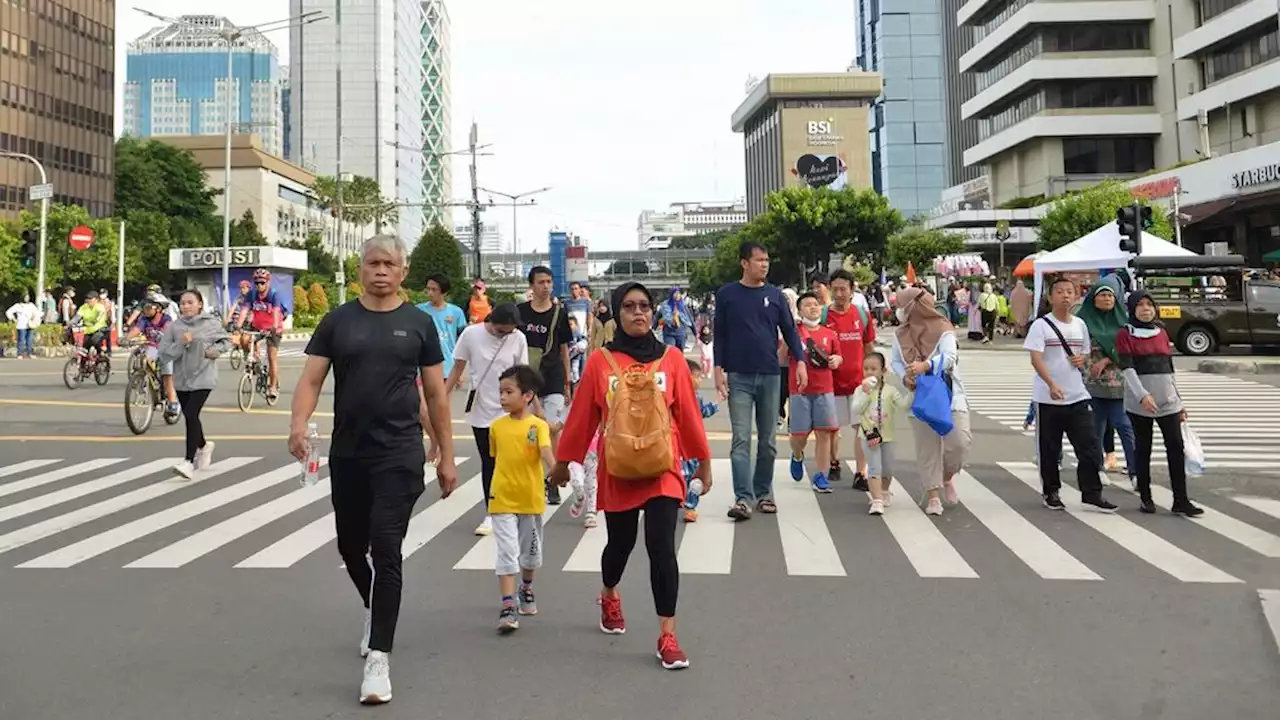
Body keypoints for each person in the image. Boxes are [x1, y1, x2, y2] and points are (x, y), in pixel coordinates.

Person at [288, 234, 458, 706]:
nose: (381, 270)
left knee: (387, 549)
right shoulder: (338, 322)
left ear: (403, 272)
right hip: (349, 454)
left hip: (400, 454)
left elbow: (437, 395)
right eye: (372, 263)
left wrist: (445, 453)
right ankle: (374, 607)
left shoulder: (419, 324)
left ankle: (379, 656)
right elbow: (312, 379)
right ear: (361, 269)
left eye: (390, 263)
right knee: (350, 545)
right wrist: (298, 424)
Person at [550, 281, 711, 670]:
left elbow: (687, 413)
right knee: (619, 547)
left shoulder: (672, 359)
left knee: (661, 546)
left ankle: (667, 635)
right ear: (616, 314)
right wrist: (561, 462)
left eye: (644, 306)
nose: (638, 312)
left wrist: (703, 461)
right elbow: (583, 417)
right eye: (629, 306)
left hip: (663, 467)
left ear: (653, 312)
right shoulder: (601, 362)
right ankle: (609, 592)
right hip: (619, 467)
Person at [714, 242, 805, 520]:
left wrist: (800, 361)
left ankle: (764, 492)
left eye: (767, 260)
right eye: (759, 260)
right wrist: (718, 368)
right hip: (738, 375)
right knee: (741, 439)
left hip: (770, 374)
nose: (764, 264)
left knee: (767, 440)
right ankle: (743, 498)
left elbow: (789, 330)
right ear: (744, 263)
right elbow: (720, 334)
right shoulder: (727, 294)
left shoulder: (775, 295)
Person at [1024, 277, 1116, 513]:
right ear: (1051, 297)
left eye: (1070, 291)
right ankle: (1051, 492)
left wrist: (1082, 360)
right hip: (1048, 398)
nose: (1065, 295)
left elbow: (1084, 354)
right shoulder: (1041, 325)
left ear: (1076, 296)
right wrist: (1051, 384)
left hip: (1078, 395)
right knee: (1050, 449)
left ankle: (1092, 493)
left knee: (1090, 446)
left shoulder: (1080, 325)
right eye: (1060, 292)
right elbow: (1035, 358)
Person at [444, 302, 529, 536]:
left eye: (510, 330)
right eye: (502, 330)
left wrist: (530, 407)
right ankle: (492, 512)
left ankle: (515, 509)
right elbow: (457, 367)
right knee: (489, 462)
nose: (506, 335)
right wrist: (442, 397)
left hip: (509, 410)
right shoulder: (472, 334)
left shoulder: (518, 338)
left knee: (511, 461)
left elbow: (523, 374)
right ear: (490, 322)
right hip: (481, 409)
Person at [1116, 291, 1204, 517]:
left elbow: (1169, 370)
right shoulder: (1125, 333)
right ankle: (1146, 498)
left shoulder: (1162, 332)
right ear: (1132, 309)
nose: (1146, 309)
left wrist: (1179, 401)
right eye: (1140, 305)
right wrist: (1142, 396)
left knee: (1176, 448)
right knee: (1143, 449)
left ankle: (1181, 500)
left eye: (1149, 305)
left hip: (1168, 401)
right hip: (1140, 404)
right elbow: (1127, 369)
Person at [487, 365, 558, 633]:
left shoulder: (538, 426)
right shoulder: (496, 427)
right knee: (506, 552)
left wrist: (557, 472)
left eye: (509, 392)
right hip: (502, 497)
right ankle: (508, 607)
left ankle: (526, 589)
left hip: (530, 498)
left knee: (530, 555)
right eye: (501, 392)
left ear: (528, 396)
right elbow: (497, 458)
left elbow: (546, 453)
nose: (503, 397)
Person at [890, 287, 972, 516]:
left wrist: (926, 365)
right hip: (919, 397)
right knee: (927, 448)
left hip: (948, 394)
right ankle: (933, 495)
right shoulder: (900, 334)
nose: (899, 312)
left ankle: (947, 477)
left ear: (914, 307)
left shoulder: (944, 329)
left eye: (902, 306)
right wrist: (905, 376)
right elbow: (895, 361)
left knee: (960, 444)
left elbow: (950, 357)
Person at [1075, 275, 1138, 490]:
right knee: (1096, 429)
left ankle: (1135, 472)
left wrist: (1107, 359)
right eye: (1102, 295)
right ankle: (1098, 469)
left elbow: (1129, 350)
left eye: (1110, 295)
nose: (1107, 299)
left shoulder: (1123, 322)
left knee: (1124, 426)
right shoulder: (1082, 321)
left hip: (1119, 384)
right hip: (1091, 383)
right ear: (1093, 298)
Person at [158, 290, 229, 478]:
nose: (186, 306)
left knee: (190, 413)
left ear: (200, 304)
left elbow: (226, 342)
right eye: (182, 303)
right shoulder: (174, 327)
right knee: (191, 417)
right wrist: (180, 343)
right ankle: (204, 446)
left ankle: (188, 461)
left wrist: (214, 351)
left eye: (190, 302)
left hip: (204, 376)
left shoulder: (210, 324)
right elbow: (164, 355)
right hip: (182, 379)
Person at [518, 266, 573, 504]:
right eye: (541, 282)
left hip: (553, 377)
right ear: (532, 285)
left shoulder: (559, 313)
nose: (546, 286)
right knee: (528, 430)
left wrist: (568, 381)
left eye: (549, 281)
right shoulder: (520, 312)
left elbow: (564, 349)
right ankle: (531, 477)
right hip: (526, 379)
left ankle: (553, 479)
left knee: (551, 429)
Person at [786, 292, 843, 493]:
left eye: (816, 304)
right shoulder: (793, 332)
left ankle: (821, 475)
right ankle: (797, 454)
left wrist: (837, 360)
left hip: (824, 389)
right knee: (799, 435)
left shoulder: (830, 334)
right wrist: (788, 334)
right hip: (799, 389)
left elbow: (838, 356)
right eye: (808, 305)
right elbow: (781, 358)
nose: (813, 307)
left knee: (824, 433)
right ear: (800, 310)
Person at [824, 269, 876, 488]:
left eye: (843, 289)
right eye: (834, 289)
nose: (838, 294)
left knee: (861, 429)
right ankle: (834, 462)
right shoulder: (824, 316)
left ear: (852, 290)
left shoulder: (862, 315)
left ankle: (860, 473)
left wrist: (873, 373)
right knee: (832, 429)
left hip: (858, 383)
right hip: (831, 384)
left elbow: (869, 346)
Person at [850, 352, 905, 515]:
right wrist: (866, 393)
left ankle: (884, 491)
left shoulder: (890, 391)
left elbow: (902, 405)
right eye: (866, 368)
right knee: (875, 468)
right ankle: (877, 500)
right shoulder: (860, 390)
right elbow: (856, 409)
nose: (869, 372)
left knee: (887, 468)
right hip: (867, 434)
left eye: (874, 369)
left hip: (887, 435)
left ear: (883, 371)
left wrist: (913, 393)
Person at [234, 269, 285, 401]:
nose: (259, 286)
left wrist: (273, 328)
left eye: (262, 283)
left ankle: (273, 387)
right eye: (256, 283)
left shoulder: (274, 295)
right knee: (244, 339)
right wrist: (237, 327)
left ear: (268, 282)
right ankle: (254, 361)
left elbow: (276, 312)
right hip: (258, 327)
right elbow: (244, 311)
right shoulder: (251, 294)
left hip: (274, 329)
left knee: (271, 357)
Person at [128, 298, 181, 418]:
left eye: (149, 307)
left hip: (166, 348)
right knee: (144, 359)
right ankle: (145, 381)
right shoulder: (144, 319)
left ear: (158, 309)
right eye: (145, 308)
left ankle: (172, 401)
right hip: (151, 347)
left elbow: (168, 329)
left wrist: (164, 335)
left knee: (167, 374)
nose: (146, 310)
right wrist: (126, 339)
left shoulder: (166, 319)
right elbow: (137, 330)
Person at [682, 357, 719, 522]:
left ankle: (690, 505)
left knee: (694, 478)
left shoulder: (696, 397)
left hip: (694, 445)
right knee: (683, 474)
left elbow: (702, 412)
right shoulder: (680, 396)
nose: (699, 380)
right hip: (682, 445)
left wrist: (716, 404)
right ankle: (682, 499)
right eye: (696, 376)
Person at [415, 274, 467, 376]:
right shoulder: (418, 310)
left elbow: (463, 341)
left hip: (449, 367)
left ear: (444, 292)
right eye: (428, 289)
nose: (430, 293)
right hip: (424, 368)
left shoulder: (456, 312)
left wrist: (460, 372)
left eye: (434, 290)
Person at [75, 291, 110, 357]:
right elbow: (77, 317)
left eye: (91, 299)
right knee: (85, 348)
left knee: (95, 341)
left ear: (96, 300)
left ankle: (101, 354)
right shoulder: (84, 307)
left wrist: (93, 322)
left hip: (100, 330)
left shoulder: (100, 307)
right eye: (87, 298)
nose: (88, 300)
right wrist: (70, 323)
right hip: (88, 331)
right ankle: (82, 365)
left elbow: (98, 316)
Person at [5, 293, 39, 359]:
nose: (26, 298)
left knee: (29, 340)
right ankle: (20, 353)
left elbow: (37, 313)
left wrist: (34, 318)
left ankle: (29, 353)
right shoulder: (18, 305)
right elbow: (8, 312)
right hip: (21, 325)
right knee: (21, 340)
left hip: (30, 324)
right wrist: (13, 319)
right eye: (25, 297)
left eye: (28, 297)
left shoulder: (31, 305)